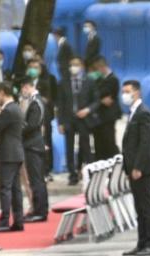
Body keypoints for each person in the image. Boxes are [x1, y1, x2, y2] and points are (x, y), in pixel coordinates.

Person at [120, 80, 150, 256]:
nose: (125, 95)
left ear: (136, 92)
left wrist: (138, 167)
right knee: (139, 208)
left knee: (146, 207)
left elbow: (145, 143)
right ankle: (142, 243)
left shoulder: (144, 113)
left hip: (141, 169)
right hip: (132, 168)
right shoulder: (134, 113)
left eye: (127, 92)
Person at [0, 81, 26, 233]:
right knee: (16, 189)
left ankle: (4, 221)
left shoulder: (8, 110)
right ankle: (18, 220)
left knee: (5, 189)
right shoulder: (16, 108)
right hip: (16, 153)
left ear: (3, 92)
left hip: (8, 154)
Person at [78, 57, 120, 161]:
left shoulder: (112, 79)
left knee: (109, 140)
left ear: (103, 67)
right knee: (98, 142)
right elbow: (96, 94)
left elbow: (104, 93)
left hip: (108, 116)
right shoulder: (98, 79)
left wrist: (97, 98)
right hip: (98, 116)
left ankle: (113, 161)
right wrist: (99, 99)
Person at [20, 77, 49, 223]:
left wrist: (18, 129)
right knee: (35, 179)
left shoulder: (36, 102)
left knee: (36, 180)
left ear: (28, 86)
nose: (22, 91)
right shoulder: (34, 101)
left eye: (24, 88)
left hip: (33, 144)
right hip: (32, 144)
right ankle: (39, 209)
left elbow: (32, 125)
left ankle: (40, 211)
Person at [57, 57, 91, 185]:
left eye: (76, 65)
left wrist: (88, 110)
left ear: (81, 66)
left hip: (83, 118)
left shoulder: (88, 81)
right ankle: (72, 174)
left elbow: (95, 99)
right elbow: (60, 103)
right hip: (68, 119)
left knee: (84, 145)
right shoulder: (63, 82)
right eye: (71, 65)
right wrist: (60, 122)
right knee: (69, 146)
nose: (73, 67)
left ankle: (83, 169)